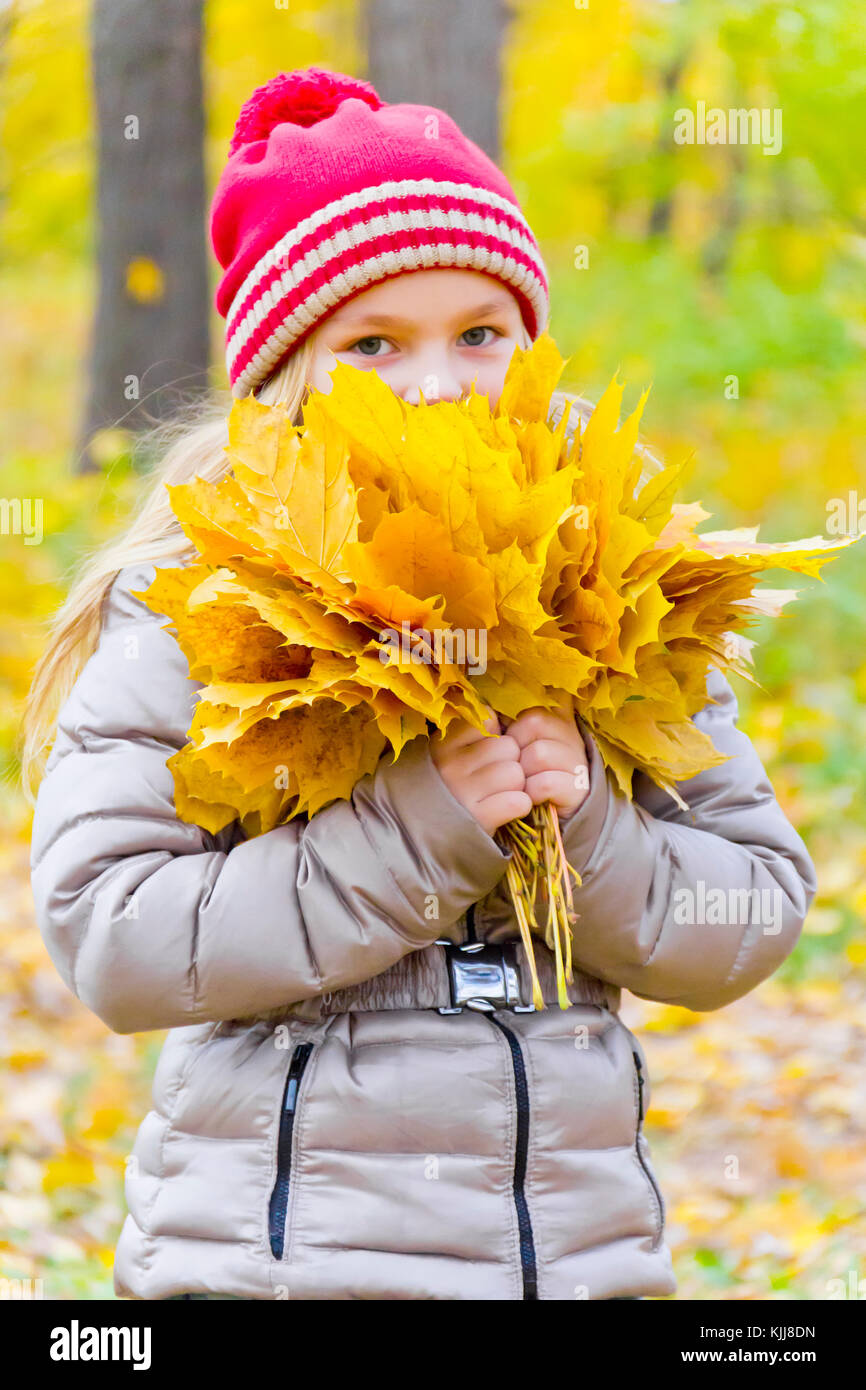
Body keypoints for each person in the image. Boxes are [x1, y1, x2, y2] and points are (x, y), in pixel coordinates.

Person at [23, 66, 817, 1301]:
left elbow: (748, 906)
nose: (438, 381)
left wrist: (593, 823)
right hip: (280, 1269)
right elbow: (116, 933)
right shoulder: (199, 596)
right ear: (283, 374)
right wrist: (419, 830)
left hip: (574, 1263)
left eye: (480, 334)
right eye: (374, 343)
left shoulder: (607, 583)